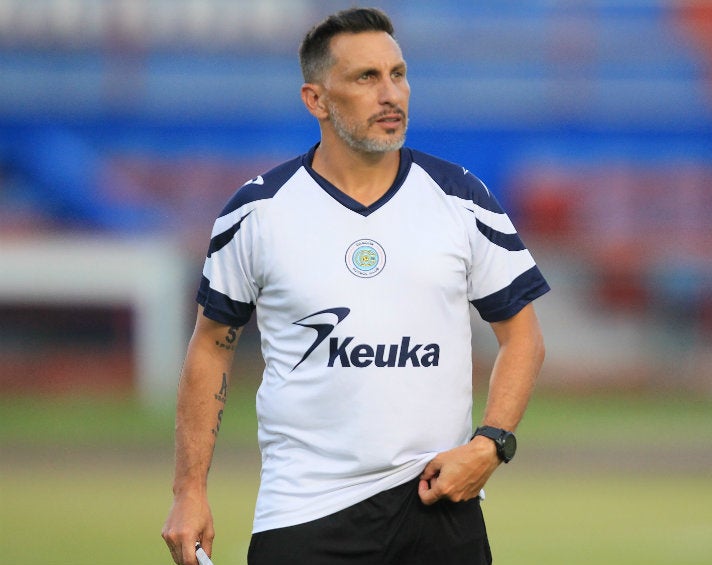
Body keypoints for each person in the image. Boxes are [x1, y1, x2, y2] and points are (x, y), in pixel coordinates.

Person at [161, 7, 548, 565]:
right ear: (315, 99)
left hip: (439, 507)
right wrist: (188, 491)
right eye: (367, 78)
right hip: (305, 515)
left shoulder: (461, 198)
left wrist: (491, 444)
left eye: (398, 73)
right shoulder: (257, 213)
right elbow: (209, 350)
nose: (391, 93)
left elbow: (524, 338)